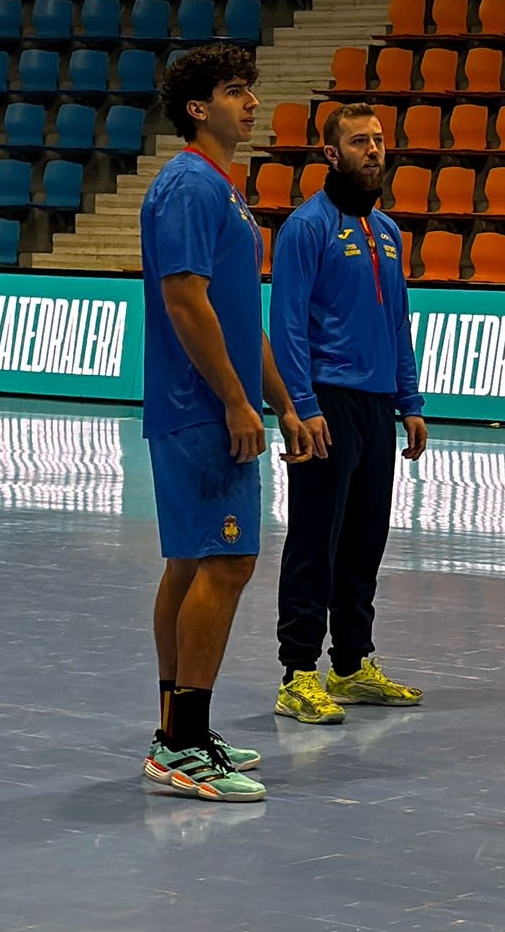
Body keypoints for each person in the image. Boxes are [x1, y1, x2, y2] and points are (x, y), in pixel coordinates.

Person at [141, 43, 310, 802]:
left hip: (218, 404)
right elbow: (186, 302)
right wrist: (237, 402)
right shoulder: (188, 185)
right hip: (200, 409)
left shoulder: (222, 191)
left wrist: (280, 397)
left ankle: (179, 732)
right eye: (237, 91)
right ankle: (180, 749)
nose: (251, 102)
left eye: (250, 89)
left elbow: (242, 317)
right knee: (224, 564)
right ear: (199, 108)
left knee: (192, 563)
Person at [268, 102, 430, 726]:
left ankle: (352, 664)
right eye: (359, 141)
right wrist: (301, 407)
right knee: (316, 538)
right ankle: (298, 672)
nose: (374, 150)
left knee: (365, 540)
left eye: (379, 140)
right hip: (325, 403)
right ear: (331, 154)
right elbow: (286, 328)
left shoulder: (386, 232)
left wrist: (409, 401)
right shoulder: (306, 228)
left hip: (375, 408)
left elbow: (397, 324)